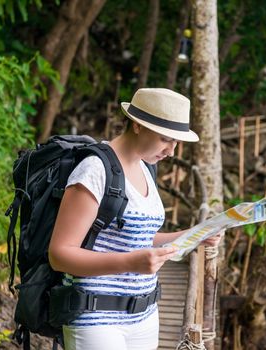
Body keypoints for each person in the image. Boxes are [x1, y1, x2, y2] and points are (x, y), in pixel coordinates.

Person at [49, 88, 220, 350]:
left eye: (176, 142)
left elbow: (137, 236)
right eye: (165, 139)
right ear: (138, 126)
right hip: (95, 317)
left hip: (145, 315)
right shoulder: (94, 170)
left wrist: (195, 235)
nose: (171, 151)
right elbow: (60, 254)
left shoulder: (145, 166)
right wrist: (129, 262)